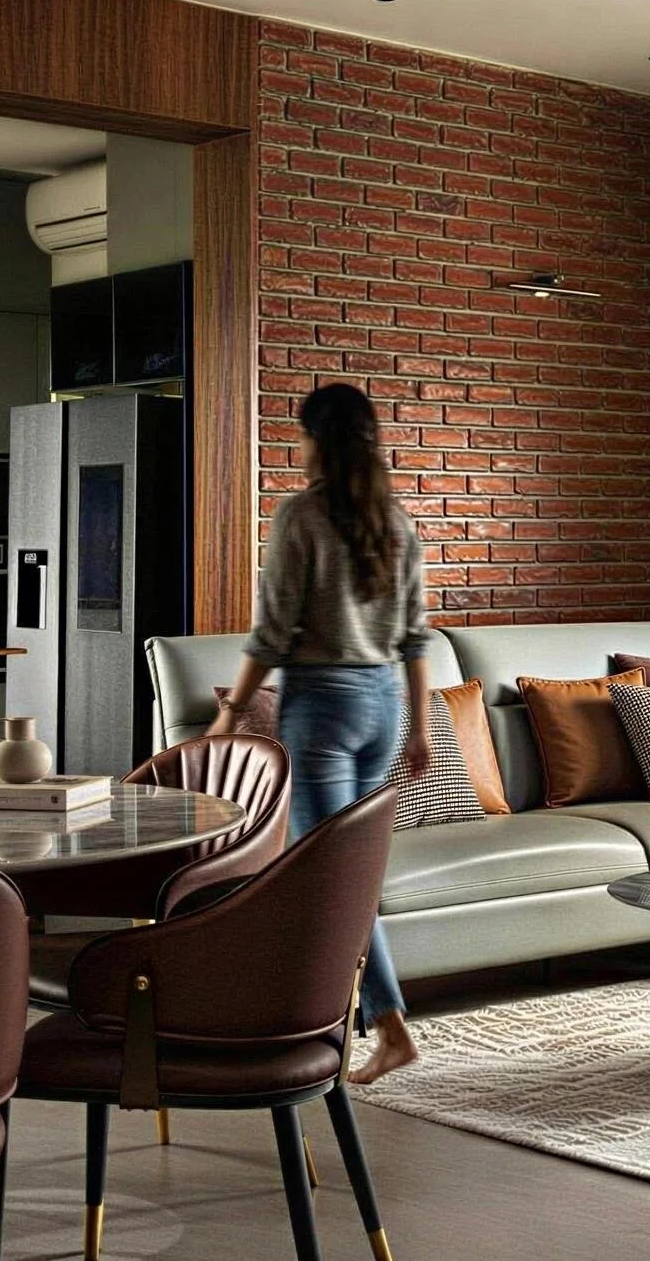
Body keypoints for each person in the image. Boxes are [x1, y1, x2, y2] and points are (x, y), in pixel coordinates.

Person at [207, 382, 429, 1084]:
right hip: (385, 706)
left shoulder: (300, 515)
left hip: (325, 709)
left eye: (301, 434)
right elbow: (417, 636)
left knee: (329, 877)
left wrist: (230, 711)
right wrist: (422, 729)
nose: (296, 446)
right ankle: (342, 1020)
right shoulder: (396, 520)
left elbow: (272, 632)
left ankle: (386, 1025)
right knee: (351, 873)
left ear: (318, 442)